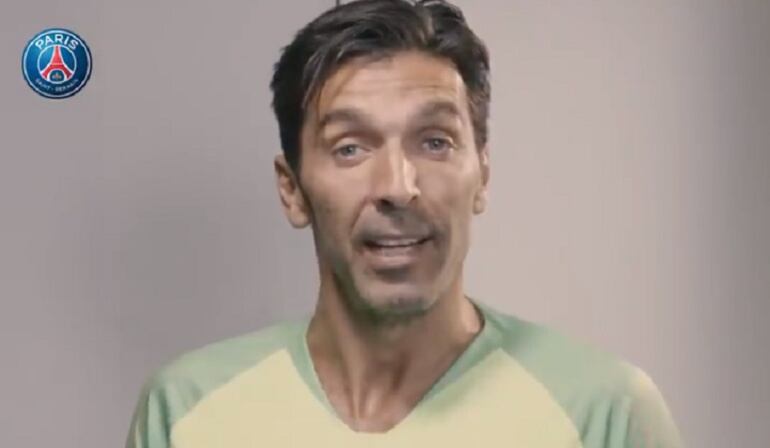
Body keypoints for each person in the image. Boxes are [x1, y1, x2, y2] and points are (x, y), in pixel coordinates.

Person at [125, 0, 683, 446]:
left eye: (435, 142)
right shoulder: (188, 411)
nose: (397, 185)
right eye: (349, 147)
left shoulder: (601, 413)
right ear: (292, 190)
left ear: (483, 175)